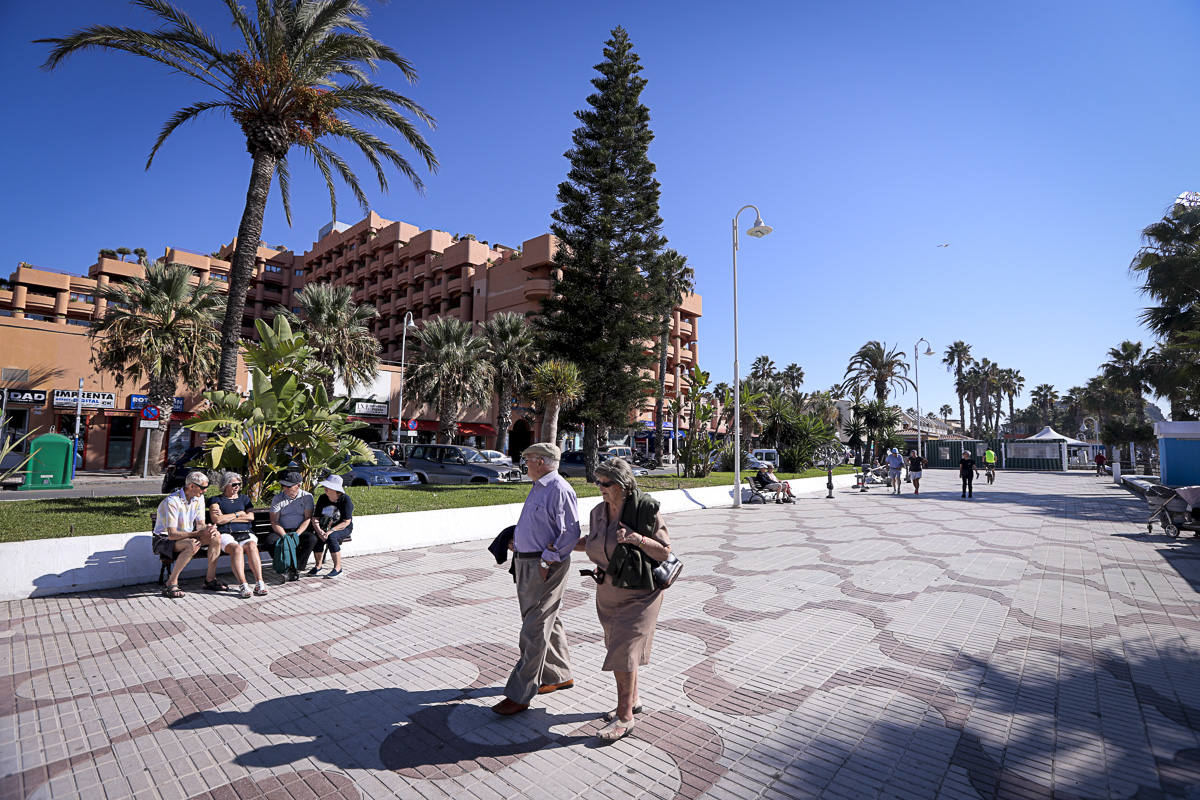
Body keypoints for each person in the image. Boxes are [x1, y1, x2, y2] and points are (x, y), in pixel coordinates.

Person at [576, 458, 672, 741]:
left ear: (622, 484)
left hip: (641, 592)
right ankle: (634, 699)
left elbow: (664, 551)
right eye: (598, 482)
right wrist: (559, 544)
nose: (600, 487)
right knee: (618, 647)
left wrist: (635, 538)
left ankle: (625, 717)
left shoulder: (645, 509)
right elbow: (593, 541)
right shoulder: (598, 512)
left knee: (623, 650)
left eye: (606, 483)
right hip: (608, 590)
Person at [492, 443, 581, 717]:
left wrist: (546, 560)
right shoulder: (540, 486)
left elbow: (571, 532)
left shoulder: (559, 489)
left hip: (544, 566)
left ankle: (520, 693)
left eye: (528, 459)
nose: (525, 463)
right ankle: (559, 675)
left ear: (541, 461)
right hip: (528, 562)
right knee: (545, 619)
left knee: (534, 626)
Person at [152, 470, 221, 599]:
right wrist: (196, 533)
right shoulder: (172, 501)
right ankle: (171, 582)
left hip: (186, 536)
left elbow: (200, 525)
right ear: (191, 486)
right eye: (203, 488)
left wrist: (209, 528)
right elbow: (172, 535)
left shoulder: (199, 498)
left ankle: (210, 580)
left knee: (216, 536)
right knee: (192, 544)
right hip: (164, 540)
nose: (205, 490)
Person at [208, 472, 268, 598]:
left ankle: (259, 583)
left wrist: (226, 517)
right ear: (225, 485)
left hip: (245, 532)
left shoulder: (244, 499)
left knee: (252, 546)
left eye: (239, 484)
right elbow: (217, 520)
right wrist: (238, 514)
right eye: (234, 484)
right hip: (226, 533)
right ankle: (243, 585)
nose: (237, 487)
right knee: (237, 549)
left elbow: (250, 517)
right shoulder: (216, 500)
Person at [303, 474, 354, 578]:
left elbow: (346, 522)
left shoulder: (345, 500)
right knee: (317, 538)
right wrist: (319, 531)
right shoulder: (322, 498)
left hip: (342, 527)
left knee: (331, 537)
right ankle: (318, 566)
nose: (325, 488)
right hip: (324, 527)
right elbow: (315, 518)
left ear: (336, 489)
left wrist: (331, 531)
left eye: (329, 487)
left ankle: (338, 568)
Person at [267, 471, 313, 582]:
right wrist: (285, 536)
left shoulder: (307, 497)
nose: (285, 488)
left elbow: (307, 518)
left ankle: (296, 569)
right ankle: (285, 566)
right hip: (281, 529)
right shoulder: (278, 498)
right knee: (270, 541)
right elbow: (274, 521)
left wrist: (296, 534)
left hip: (299, 530)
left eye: (288, 486)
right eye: (283, 485)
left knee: (311, 539)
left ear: (298, 485)